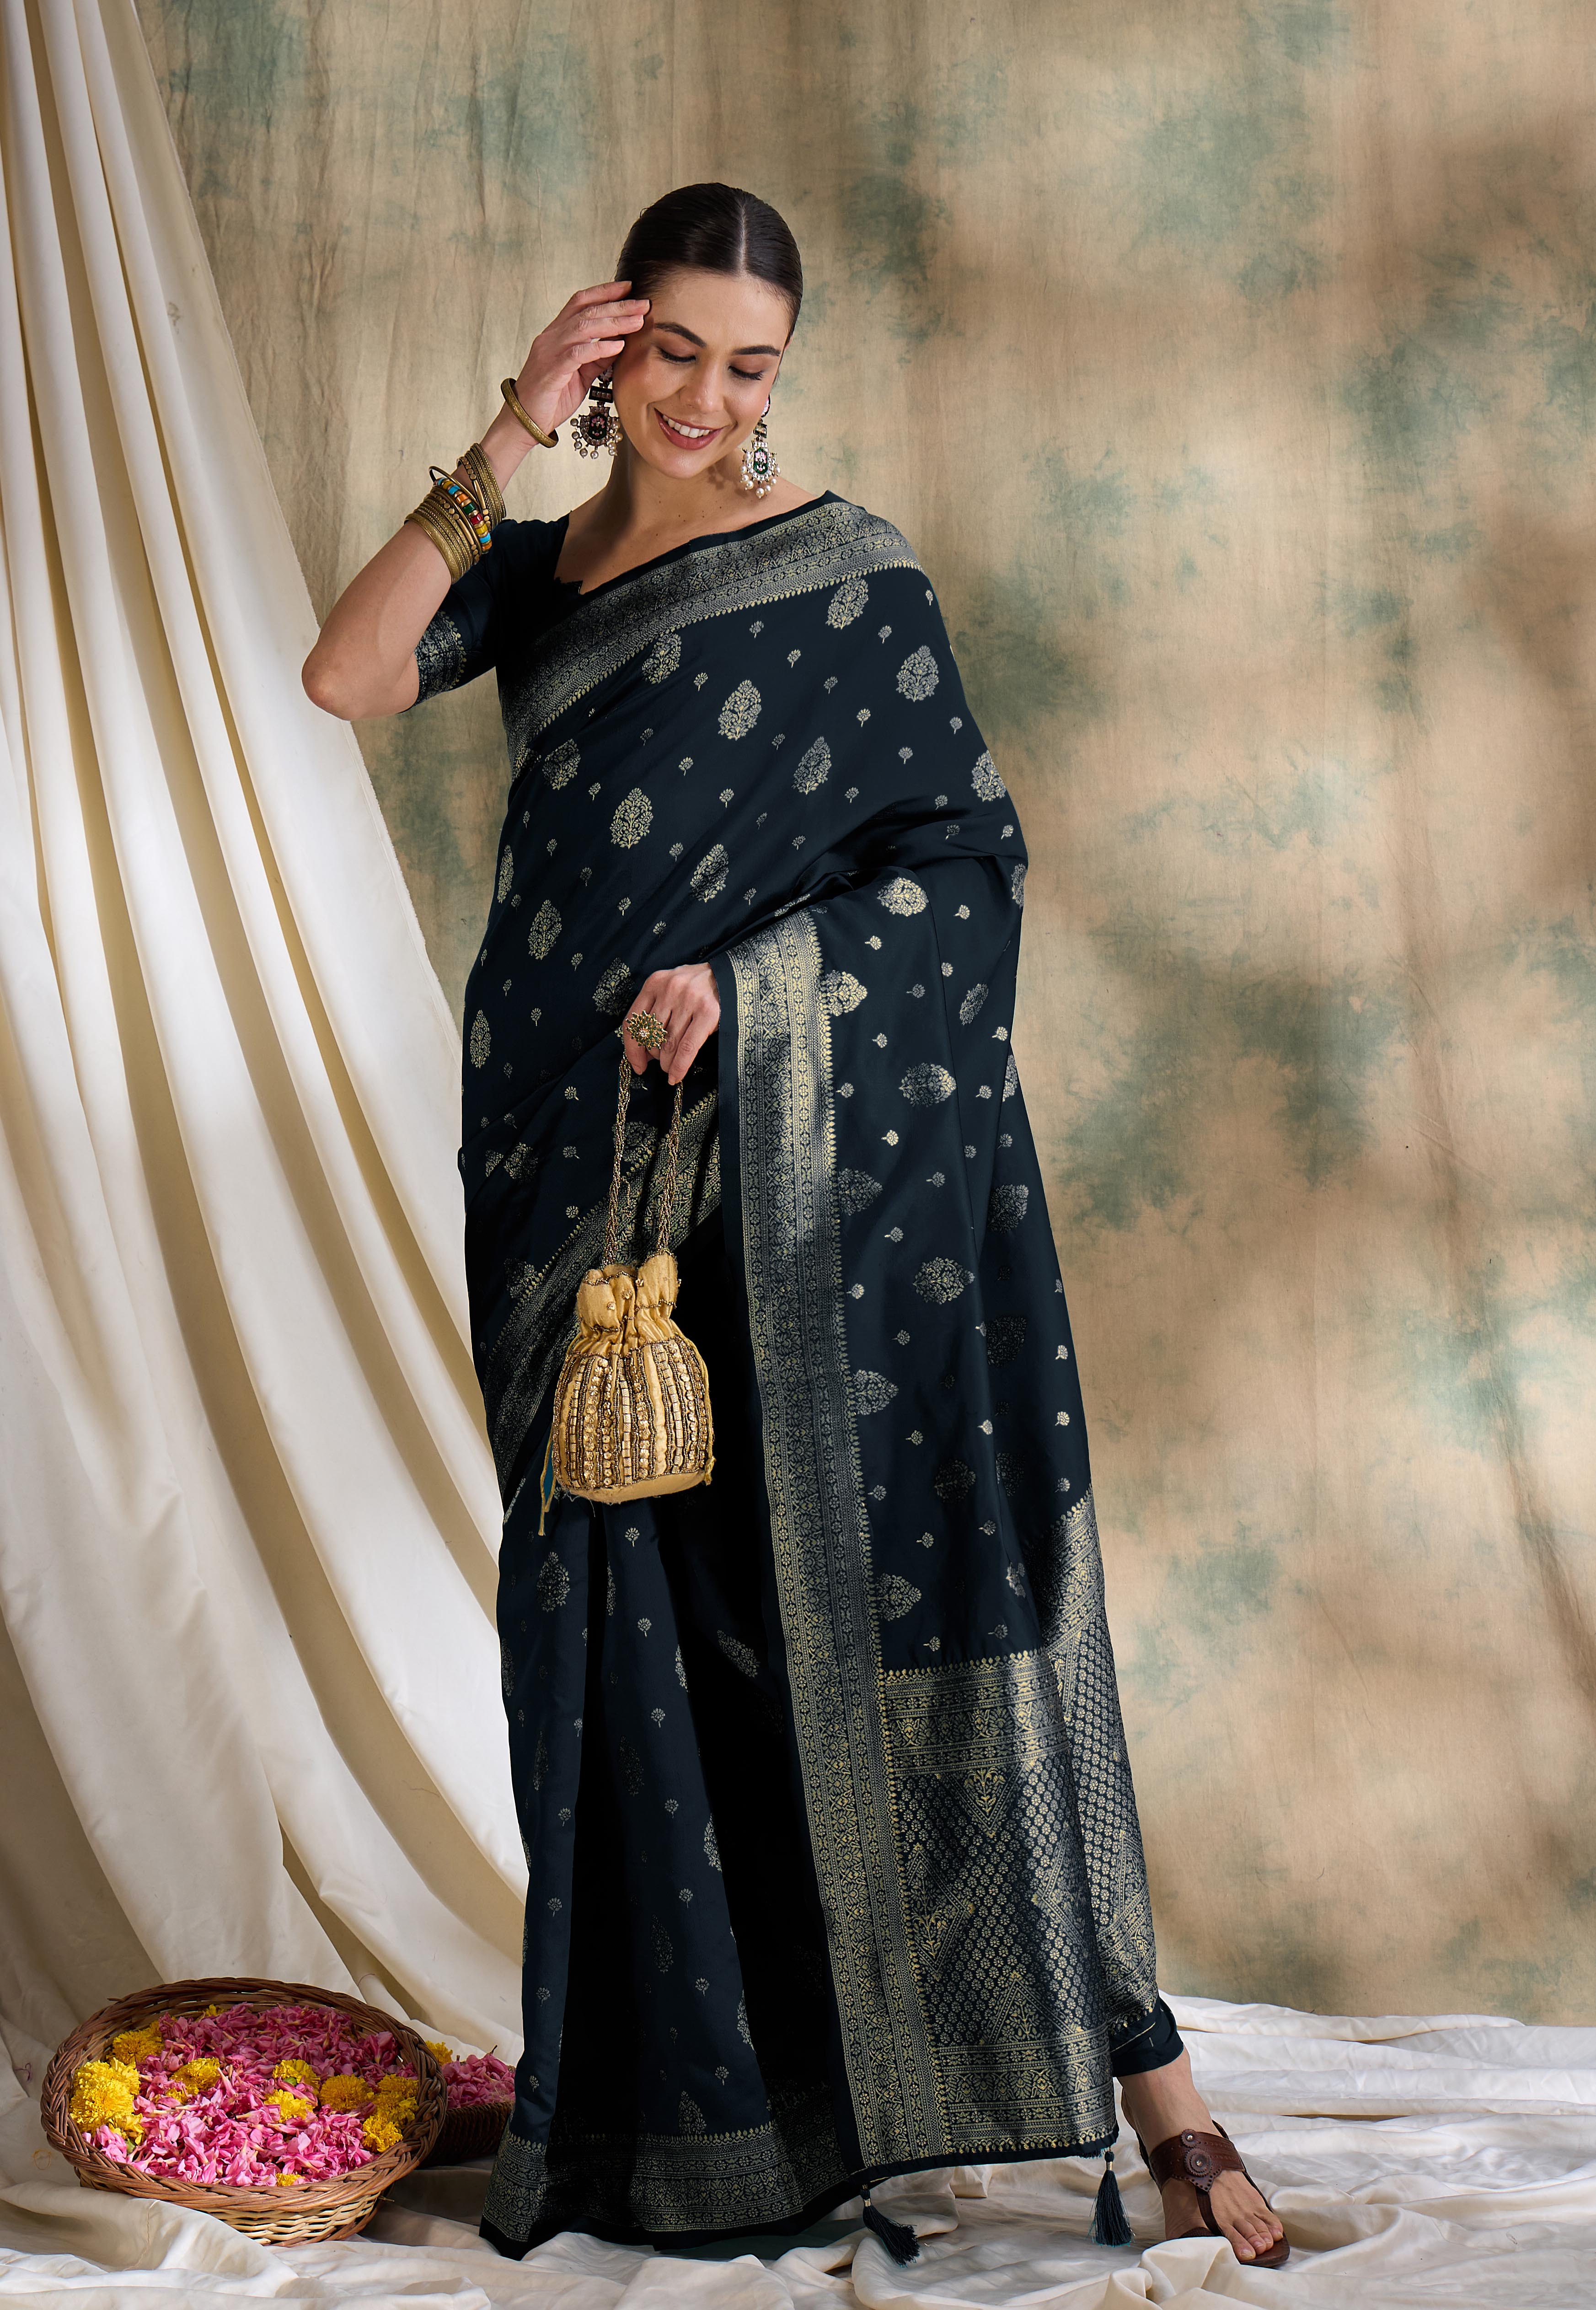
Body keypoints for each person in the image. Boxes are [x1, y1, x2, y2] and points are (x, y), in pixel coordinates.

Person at [302, 181, 1288, 2272]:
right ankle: (715, 2117)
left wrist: (754, 991)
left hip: (793, 1169)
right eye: (670, 351)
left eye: (749, 367)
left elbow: (964, 869)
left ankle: (1147, 2077)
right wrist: (511, 432)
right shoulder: (546, 573)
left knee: (889, 1579)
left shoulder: (852, 578)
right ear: (609, 341)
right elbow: (348, 667)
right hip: (571, 1176)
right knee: (616, 1622)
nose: (707, 399)